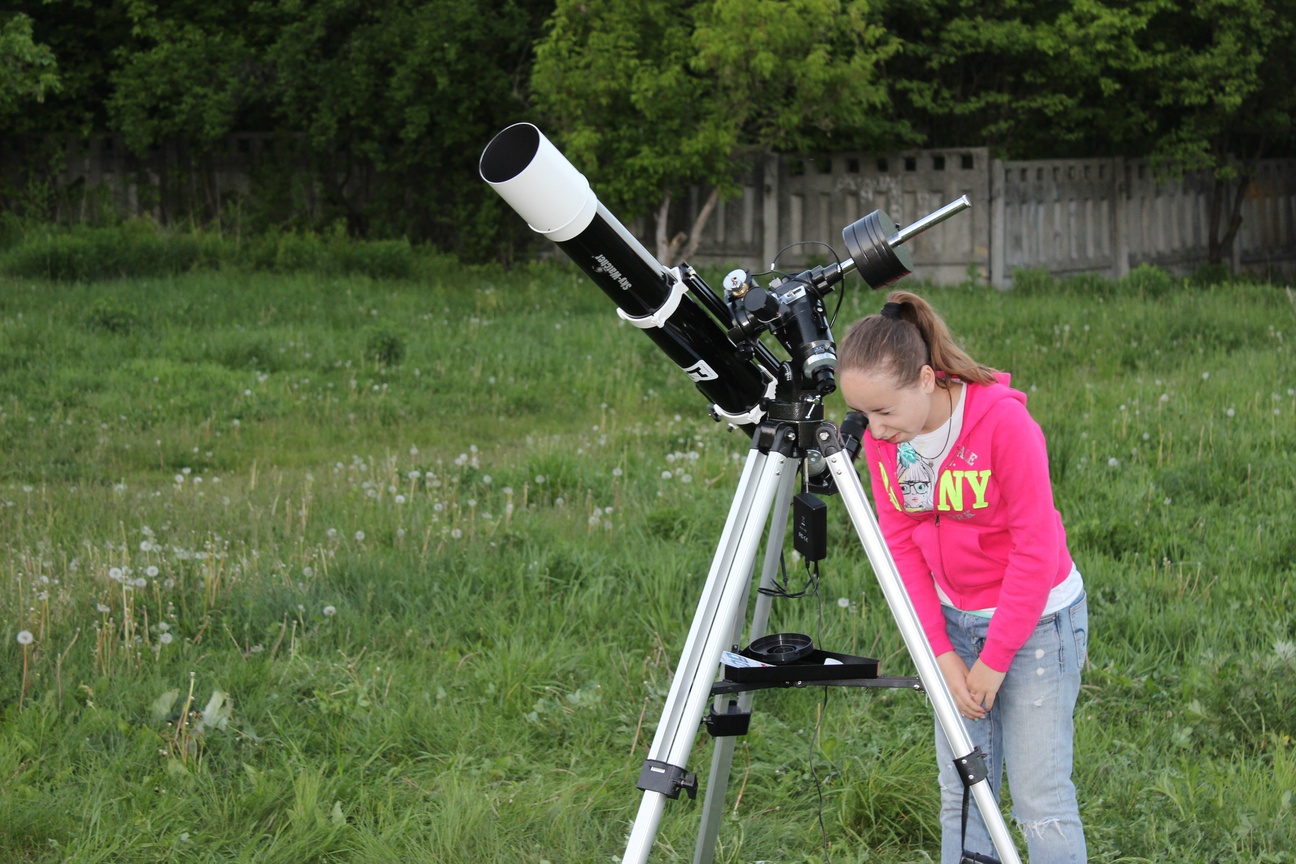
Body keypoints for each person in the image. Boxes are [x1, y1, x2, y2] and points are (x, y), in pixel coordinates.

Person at [837, 290, 1088, 864]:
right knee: (964, 793)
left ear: (926, 379)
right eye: (863, 415)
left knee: (1040, 800)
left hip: (1037, 626)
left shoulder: (1004, 423)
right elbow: (901, 546)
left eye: (884, 412)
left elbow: (1035, 548)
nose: (874, 431)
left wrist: (995, 659)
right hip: (954, 622)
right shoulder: (884, 441)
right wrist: (943, 655)